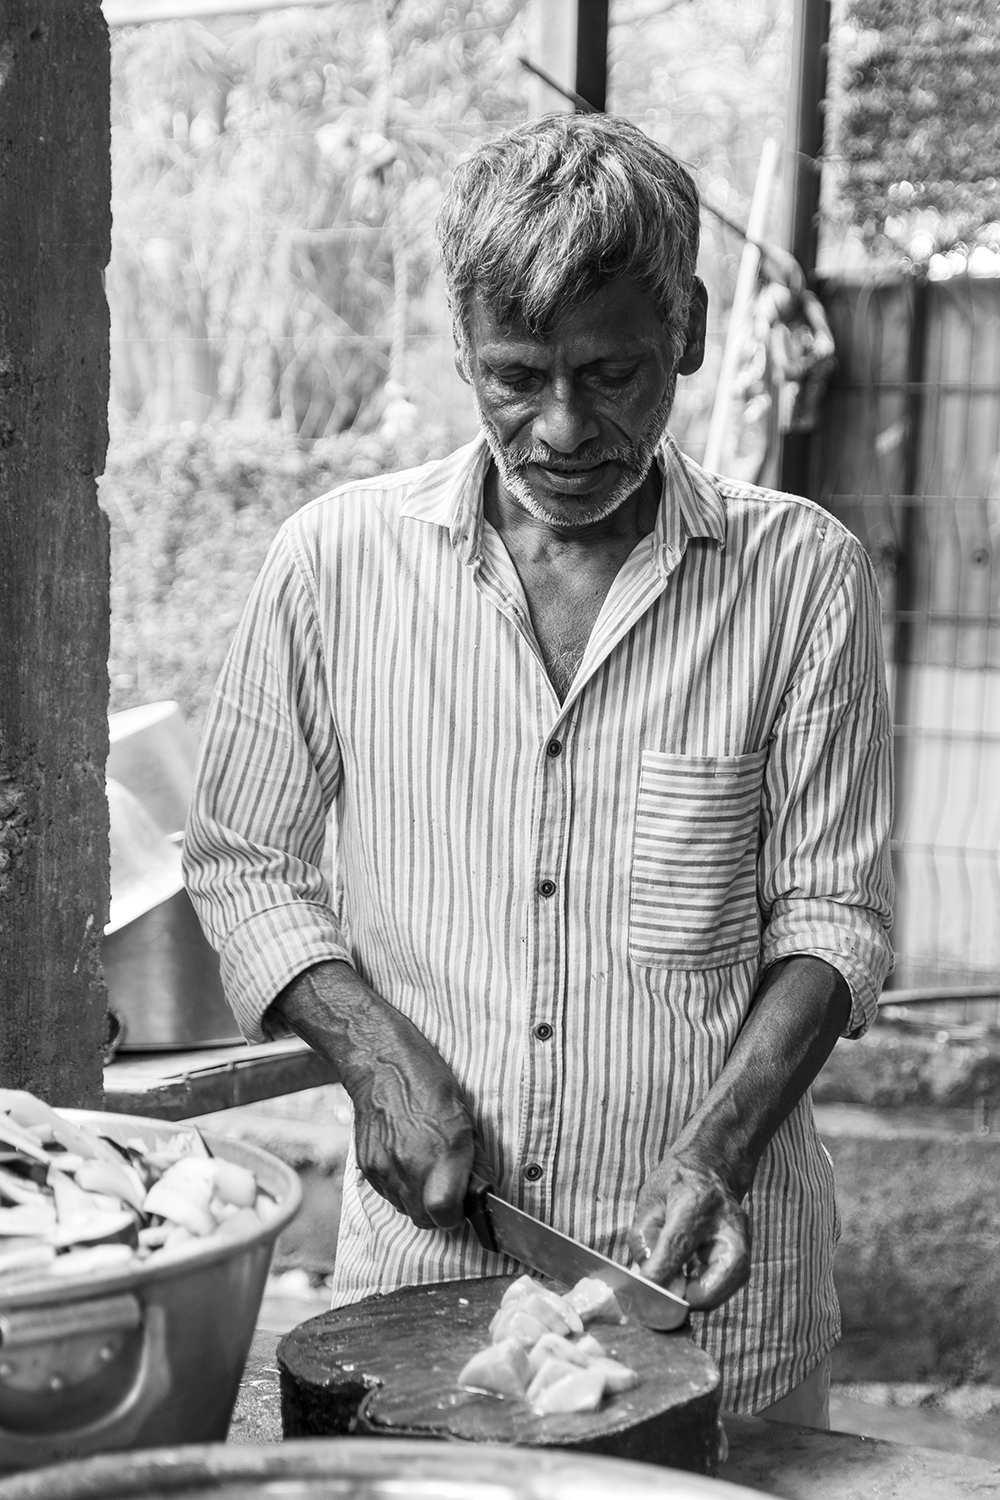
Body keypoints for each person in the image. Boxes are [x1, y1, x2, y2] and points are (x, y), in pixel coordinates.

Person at [184, 112, 893, 1421]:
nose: (562, 427)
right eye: (516, 375)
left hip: (717, 1314)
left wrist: (716, 1156)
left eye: (612, 374)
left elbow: (834, 918)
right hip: (423, 1307)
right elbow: (246, 862)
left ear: (683, 332)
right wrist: (375, 1058)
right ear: (460, 351)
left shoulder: (804, 578)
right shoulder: (333, 565)